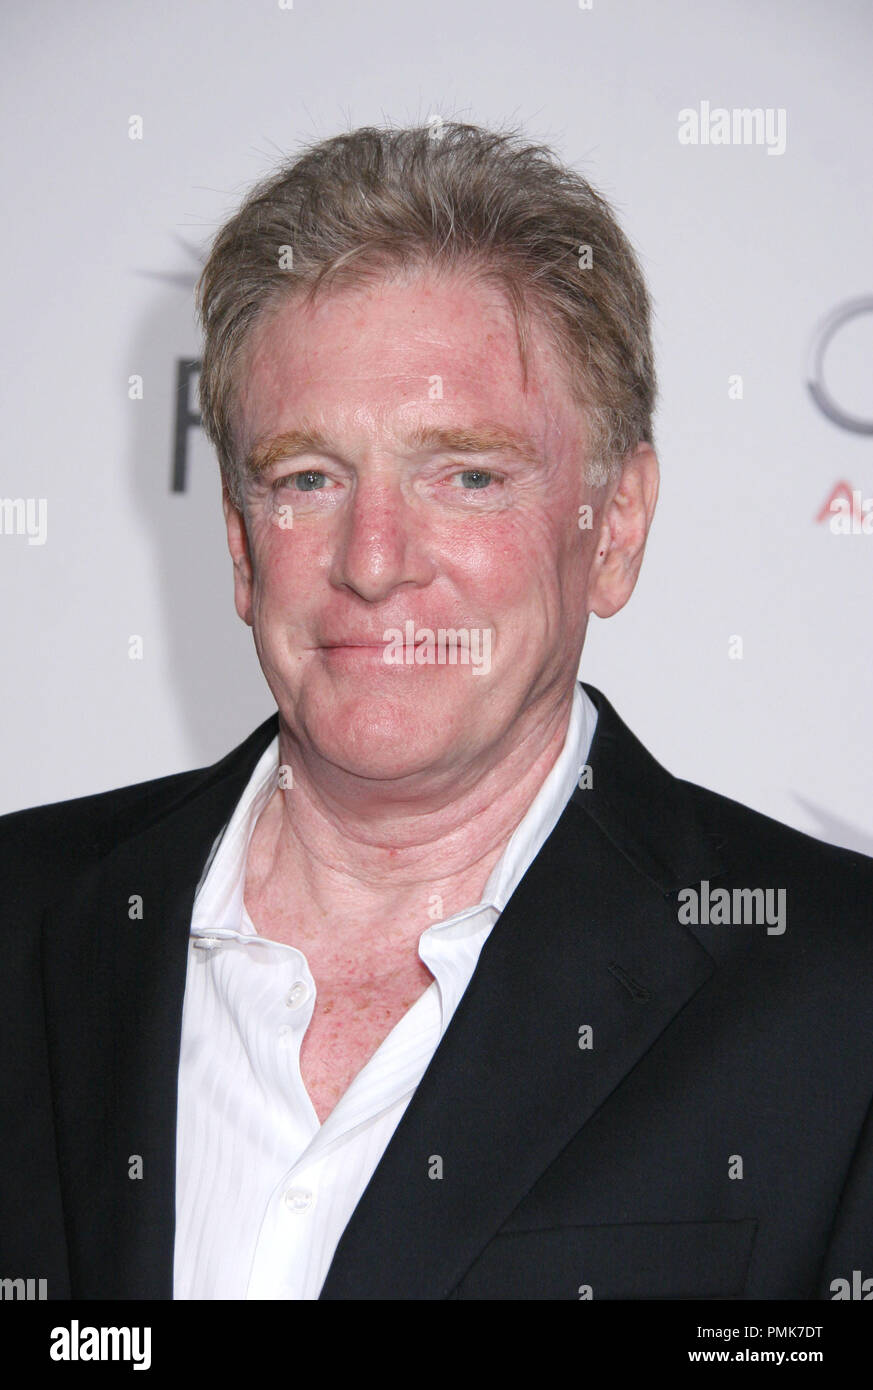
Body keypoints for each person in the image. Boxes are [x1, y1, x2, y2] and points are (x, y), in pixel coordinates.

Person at [2, 122, 872, 1301]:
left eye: (467, 476)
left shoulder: (837, 994)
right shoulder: (24, 917)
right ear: (242, 546)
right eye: (310, 478)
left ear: (615, 527)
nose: (374, 561)